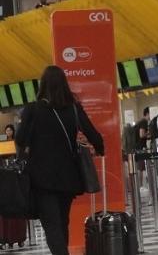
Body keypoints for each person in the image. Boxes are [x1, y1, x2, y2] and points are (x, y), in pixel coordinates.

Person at [15, 65, 104, 255]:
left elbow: (21, 139)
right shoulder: (73, 108)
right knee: (62, 222)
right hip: (68, 177)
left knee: (52, 225)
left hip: (41, 178)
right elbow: (94, 135)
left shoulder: (33, 109)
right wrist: (100, 150)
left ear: (43, 85)